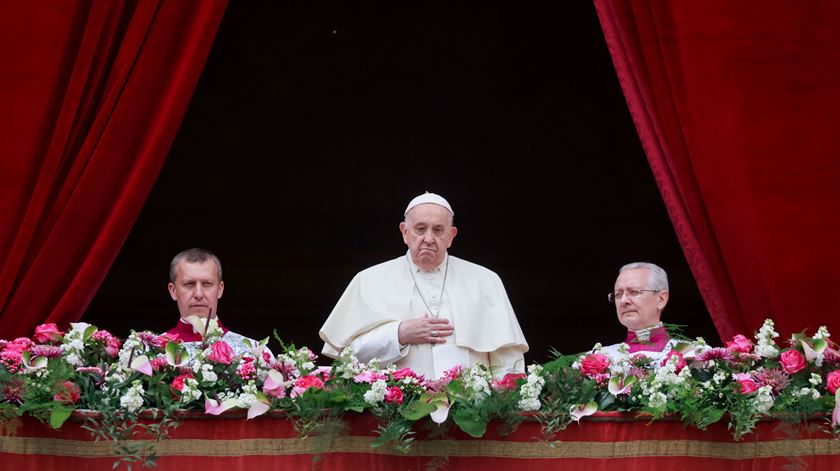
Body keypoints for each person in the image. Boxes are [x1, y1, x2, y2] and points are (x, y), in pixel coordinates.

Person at [319, 192, 528, 380]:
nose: (429, 238)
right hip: (397, 408)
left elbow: (508, 362)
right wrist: (399, 334)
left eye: (438, 230)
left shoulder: (485, 280)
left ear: (451, 236)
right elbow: (348, 359)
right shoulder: (368, 280)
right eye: (420, 229)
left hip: (473, 407)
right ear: (405, 232)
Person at [166, 248, 264, 357]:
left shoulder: (255, 353)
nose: (198, 294)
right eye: (189, 284)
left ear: (220, 289)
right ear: (173, 291)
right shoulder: (153, 353)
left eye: (207, 284)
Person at [600, 261, 678, 361]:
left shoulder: (690, 354)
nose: (623, 301)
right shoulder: (600, 359)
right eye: (618, 294)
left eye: (634, 292)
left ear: (661, 299)